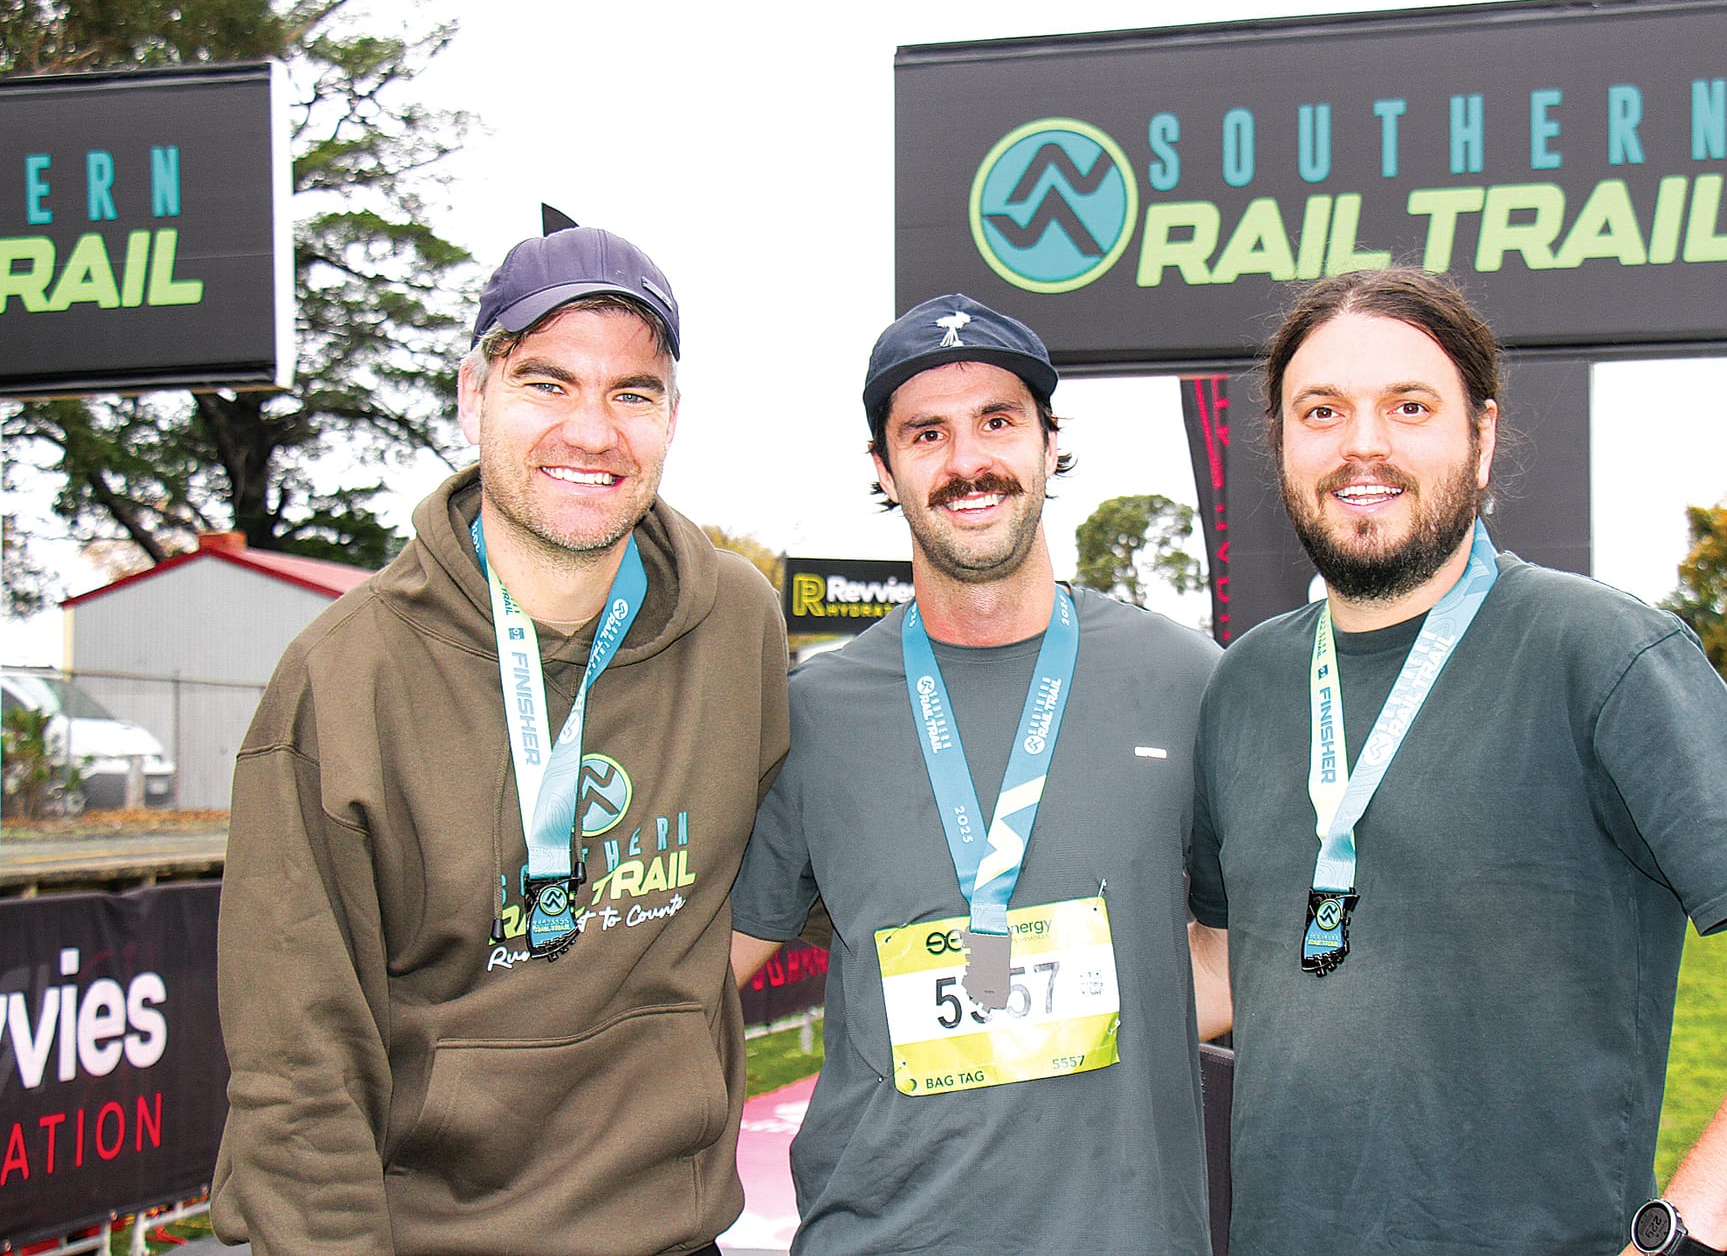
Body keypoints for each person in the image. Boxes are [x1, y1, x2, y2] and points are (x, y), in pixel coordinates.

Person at [1186, 267, 1727, 1256]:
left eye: (1408, 405)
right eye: (1322, 411)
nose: (1362, 444)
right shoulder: (1245, 681)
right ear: (1279, 441)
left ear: (1479, 439)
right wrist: (983, 979)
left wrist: (1671, 1246)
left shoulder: (1598, 651)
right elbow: (1231, 964)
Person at [210, 226, 788, 1255]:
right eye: (547, 382)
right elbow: (300, 1076)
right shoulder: (344, 680)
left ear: (670, 418)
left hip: (676, 1231)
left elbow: (794, 861)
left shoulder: (736, 623)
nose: (592, 430)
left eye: (632, 393)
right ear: (475, 395)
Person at [729, 293, 1221, 1255]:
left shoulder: (1186, 679)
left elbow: (1248, 951)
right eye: (926, 432)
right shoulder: (815, 712)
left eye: (998, 421)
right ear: (884, 466)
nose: (966, 461)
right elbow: (699, 975)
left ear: (1047, 442)